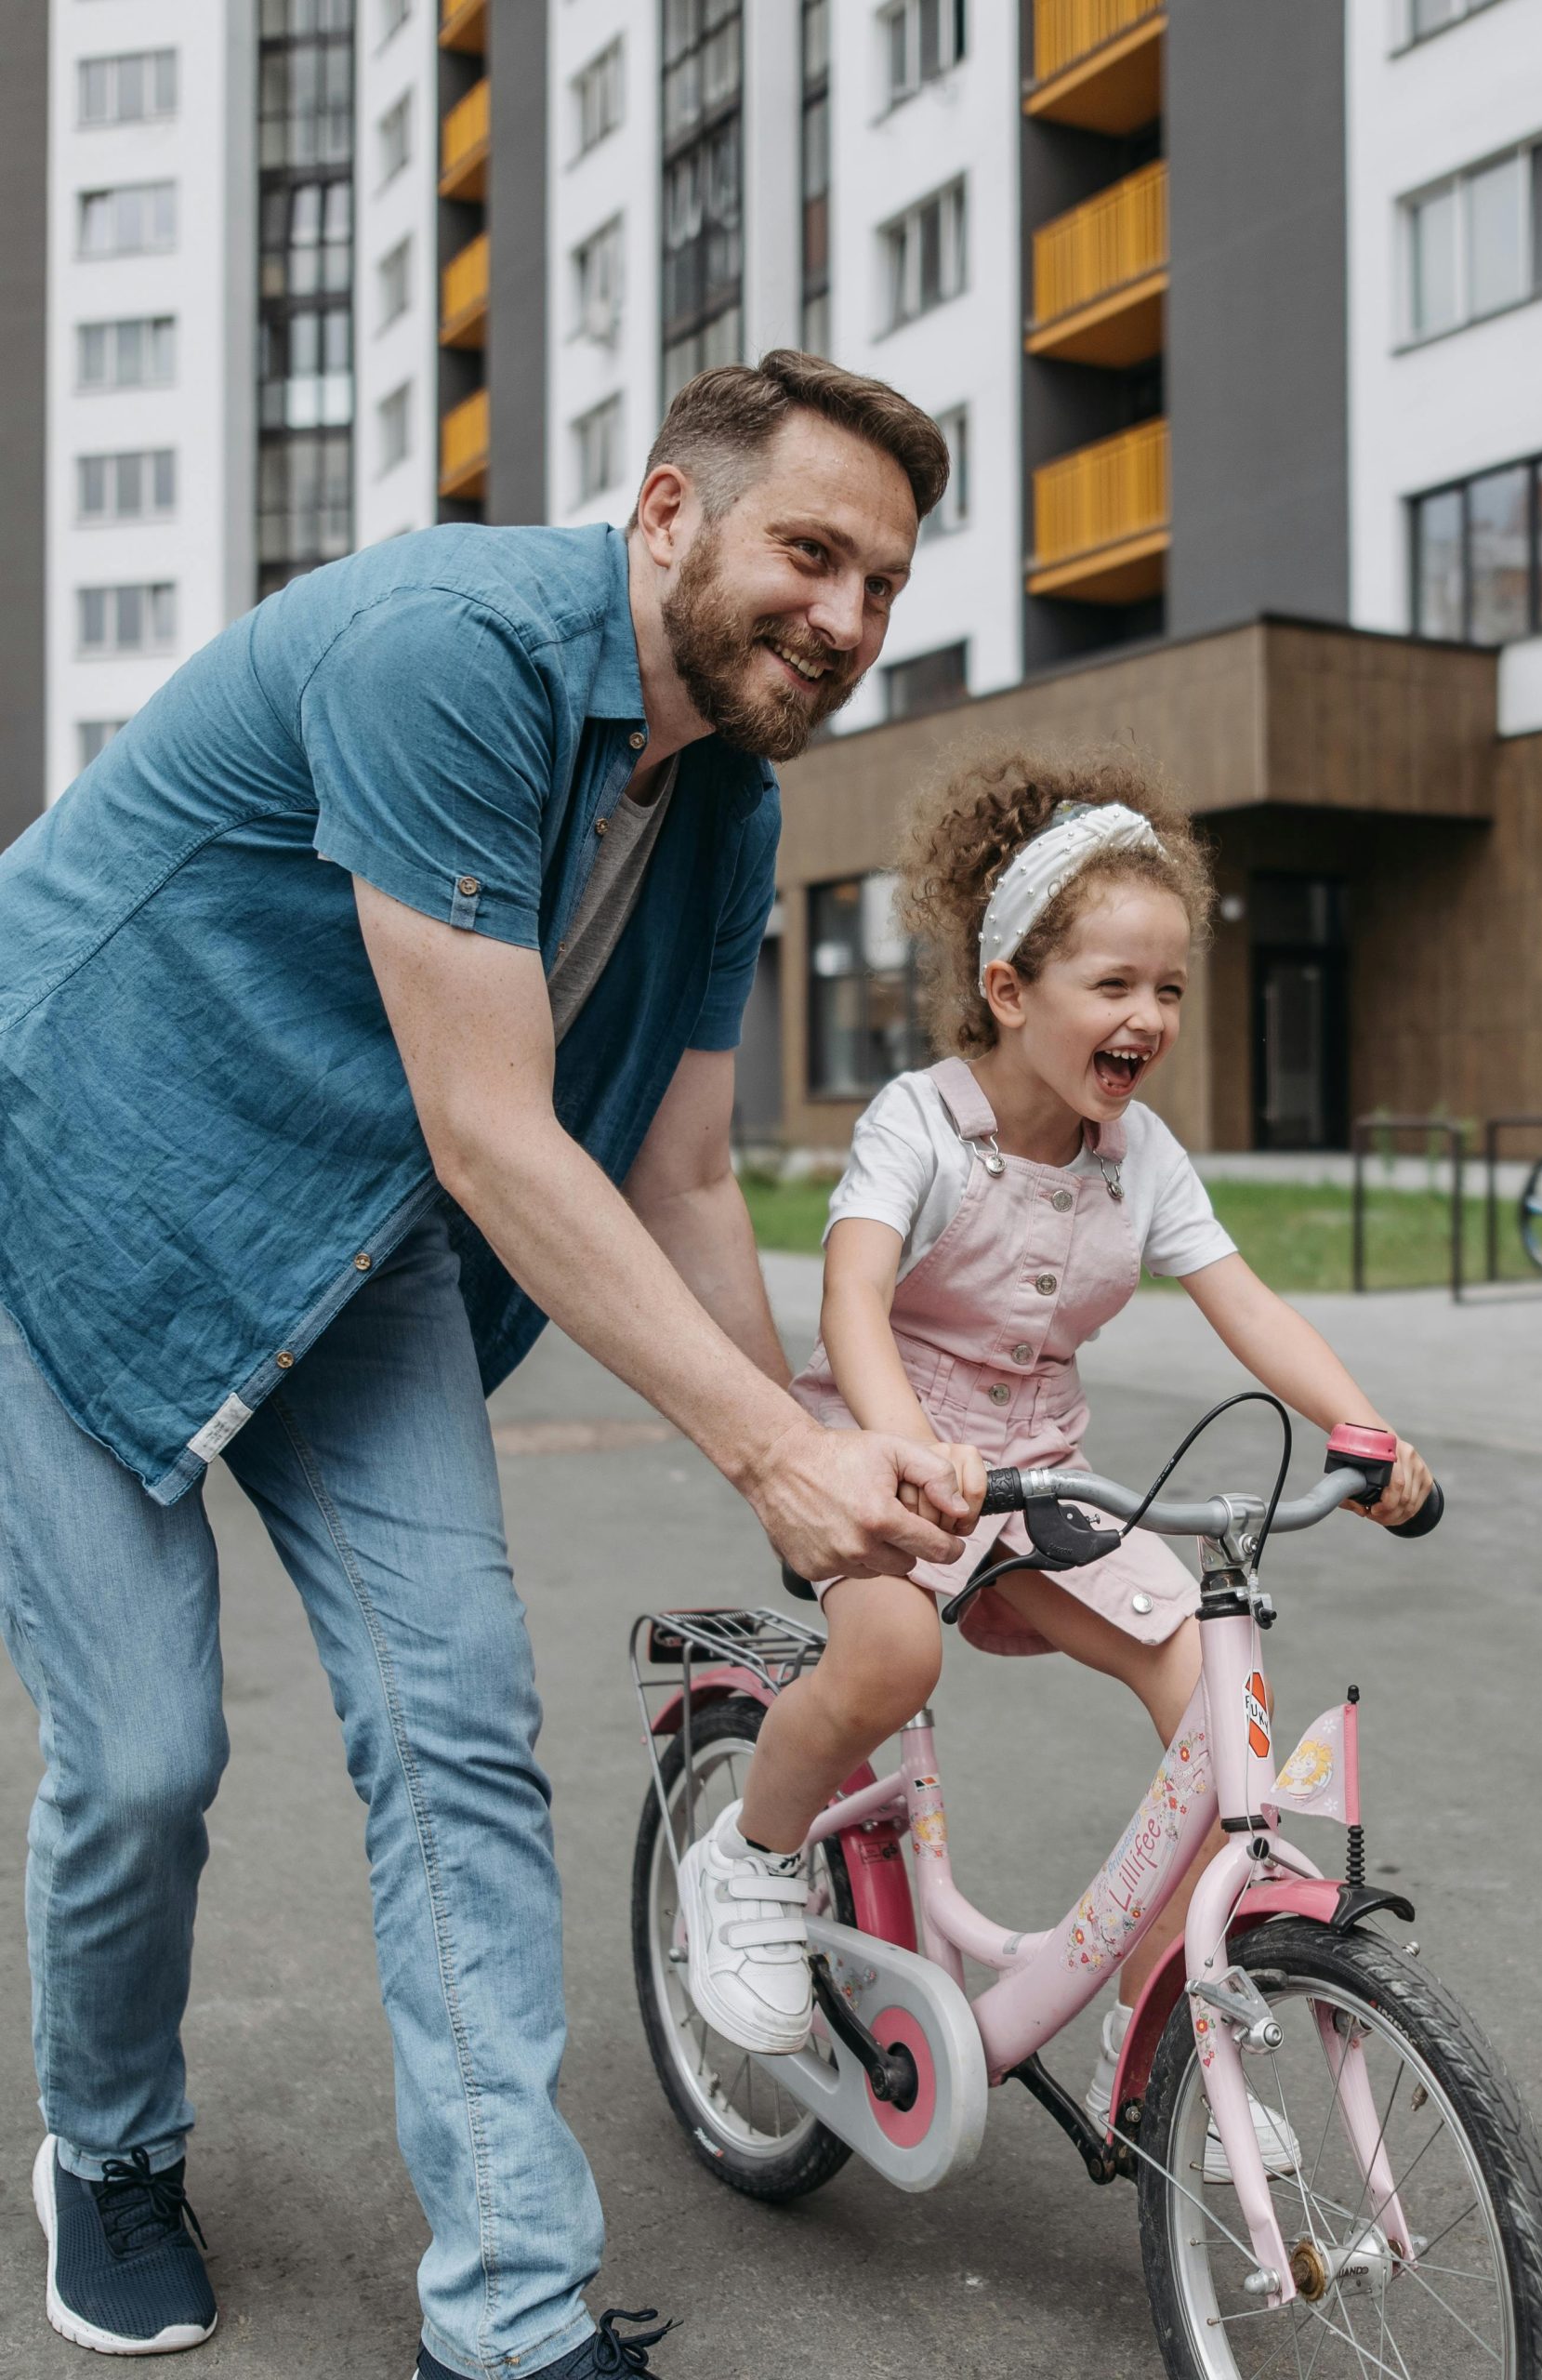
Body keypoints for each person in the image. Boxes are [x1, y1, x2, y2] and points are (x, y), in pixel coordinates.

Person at [0, 353, 980, 2377]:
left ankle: (511, 2320)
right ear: (664, 514)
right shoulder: (452, 646)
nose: (850, 616)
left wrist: (806, 1467)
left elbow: (689, 1167)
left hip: (346, 1230)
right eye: (812, 549)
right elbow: (496, 1128)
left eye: (884, 580)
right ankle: (106, 2144)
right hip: (60, 1168)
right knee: (148, 1751)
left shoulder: (727, 808)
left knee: (458, 1722)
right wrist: (774, 1466)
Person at [679, 751, 1433, 2151]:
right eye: (1112, 985)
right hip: (879, 1450)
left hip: (1039, 1486)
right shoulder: (920, 1121)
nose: (1145, 1017)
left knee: (1218, 1706)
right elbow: (850, 1296)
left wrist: (1366, 1431)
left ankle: (1171, 2020)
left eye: (1168, 990)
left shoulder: (1138, 1154)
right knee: (890, 1658)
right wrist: (902, 1455)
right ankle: (750, 1860)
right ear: (1011, 990)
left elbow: (1242, 1300)